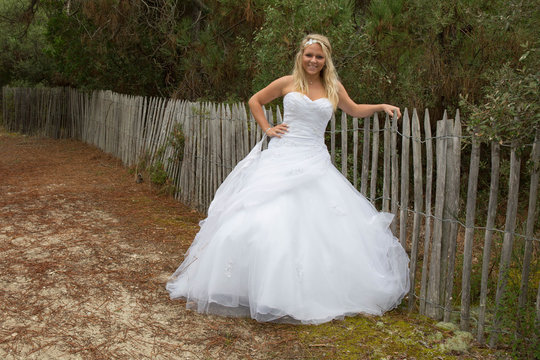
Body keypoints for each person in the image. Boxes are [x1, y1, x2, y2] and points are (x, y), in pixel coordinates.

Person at [166, 34, 410, 324]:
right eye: (309, 55)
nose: (313, 61)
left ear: (326, 60)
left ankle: (301, 293)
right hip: (283, 156)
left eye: (319, 57)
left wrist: (381, 106)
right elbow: (255, 100)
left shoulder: (333, 87)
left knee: (317, 227)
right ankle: (251, 287)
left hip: (314, 160)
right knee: (262, 219)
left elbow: (354, 110)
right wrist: (268, 128)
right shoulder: (287, 82)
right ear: (301, 55)